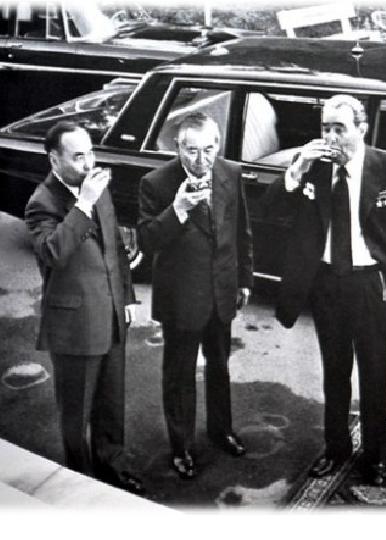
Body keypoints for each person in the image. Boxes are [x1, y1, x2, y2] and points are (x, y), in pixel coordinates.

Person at [269, 94, 386, 486]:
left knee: (374, 375)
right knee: (334, 372)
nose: (331, 137)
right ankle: (335, 448)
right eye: (325, 128)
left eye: (340, 128)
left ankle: (375, 456)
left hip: (370, 285)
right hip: (327, 284)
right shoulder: (314, 169)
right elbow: (271, 210)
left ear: (362, 129)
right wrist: (297, 168)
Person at [24, 121, 144, 494]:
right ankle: (79, 481)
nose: (89, 163)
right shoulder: (42, 202)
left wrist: (127, 297)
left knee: (111, 404)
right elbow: (53, 253)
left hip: (111, 315)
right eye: (78, 156)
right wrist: (84, 203)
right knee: (76, 413)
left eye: (90, 152)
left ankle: (113, 465)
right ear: (54, 159)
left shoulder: (95, 187)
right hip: (74, 327)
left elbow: (115, 249)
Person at [137, 112, 253, 480]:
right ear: (178, 148)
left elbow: (241, 231)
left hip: (221, 292)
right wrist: (179, 210)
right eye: (192, 151)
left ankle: (221, 430)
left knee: (220, 366)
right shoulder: (155, 183)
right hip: (182, 298)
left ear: (218, 145)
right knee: (180, 374)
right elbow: (147, 241)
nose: (201, 160)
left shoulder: (230, 173)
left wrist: (244, 280)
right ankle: (181, 447)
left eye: (208, 149)